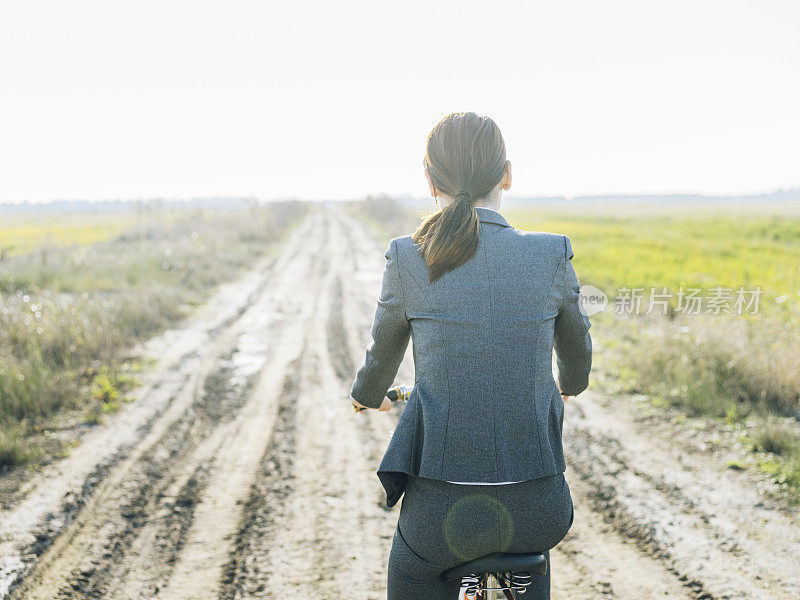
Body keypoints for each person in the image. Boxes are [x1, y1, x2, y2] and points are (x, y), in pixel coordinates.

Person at [350, 112, 592, 600]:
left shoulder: (407, 255)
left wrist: (367, 395)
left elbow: (381, 358)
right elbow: (578, 356)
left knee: (411, 572)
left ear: (429, 178)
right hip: (539, 512)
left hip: (440, 518)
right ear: (507, 174)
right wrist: (568, 383)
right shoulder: (551, 253)